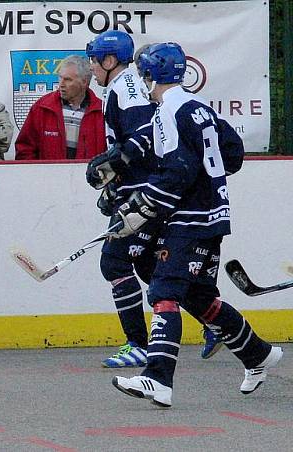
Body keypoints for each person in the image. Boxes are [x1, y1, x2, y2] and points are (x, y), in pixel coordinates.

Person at [111, 43, 282, 407]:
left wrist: (144, 205)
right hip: (213, 215)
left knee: (163, 291)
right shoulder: (199, 106)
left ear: (149, 76)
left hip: (191, 219)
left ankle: (157, 378)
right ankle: (258, 355)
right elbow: (232, 153)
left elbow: (180, 169)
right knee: (198, 297)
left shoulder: (167, 112)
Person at [82, 31, 161, 368]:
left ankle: (138, 345)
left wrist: (119, 167)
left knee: (113, 262)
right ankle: (215, 320)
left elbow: (145, 135)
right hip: (142, 188)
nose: (91, 68)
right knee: (150, 267)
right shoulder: (120, 86)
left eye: (94, 60)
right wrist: (117, 184)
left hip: (147, 193)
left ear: (109, 61)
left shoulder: (126, 88)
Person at [14, 55, 105, 160]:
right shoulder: (42, 107)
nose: (61, 84)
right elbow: (25, 149)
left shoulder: (102, 111)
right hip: (47, 176)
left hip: (88, 175)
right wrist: (35, 174)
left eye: (68, 79)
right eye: (60, 77)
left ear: (84, 82)